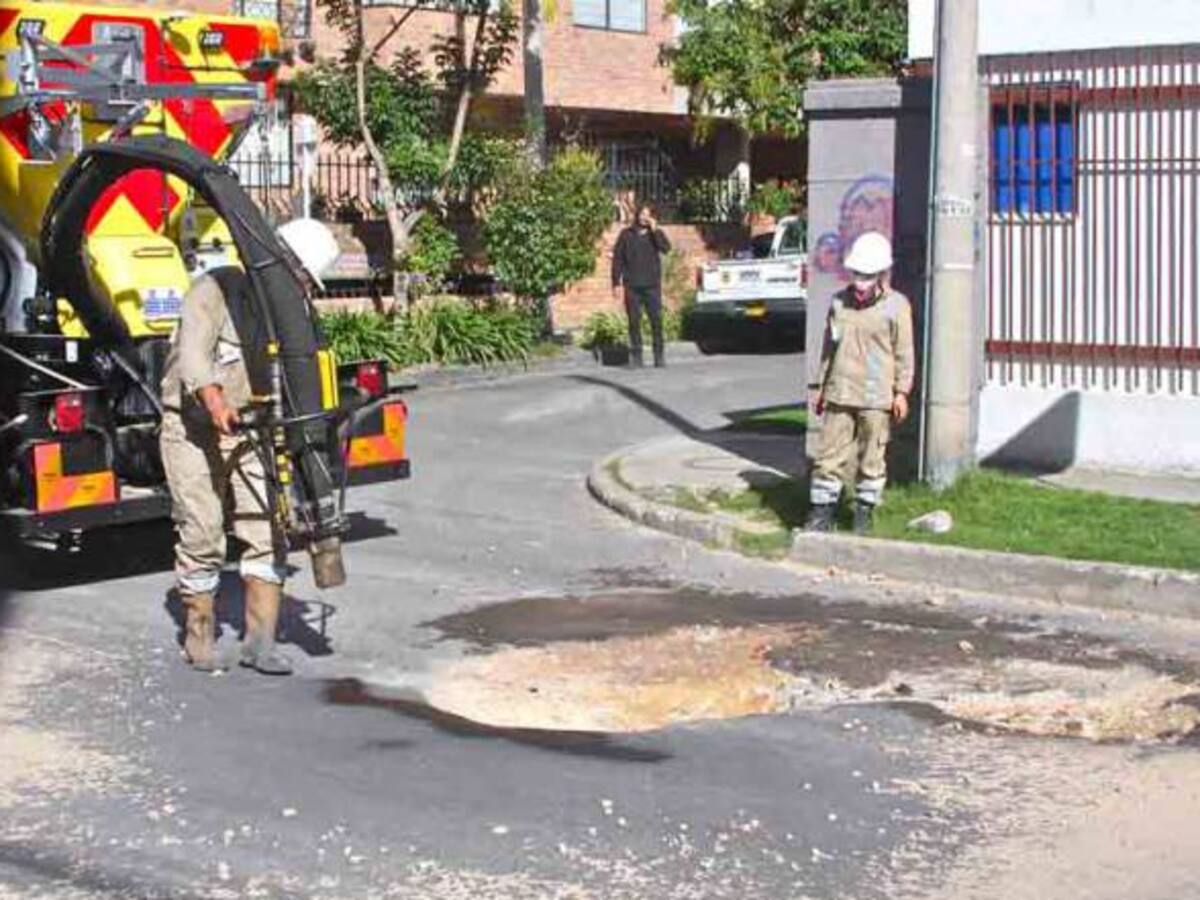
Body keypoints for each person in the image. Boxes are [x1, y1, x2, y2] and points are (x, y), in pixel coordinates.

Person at [160, 218, 340, 675]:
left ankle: (259, 642)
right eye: (299, 277)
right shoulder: (214, 290)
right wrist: (215, 399)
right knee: (202, 530)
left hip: (251, 429)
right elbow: (194, 357)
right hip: (194, 428)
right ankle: (199, 634)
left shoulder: (286, 313)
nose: (301, 288)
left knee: (268, 531)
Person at [805, 231, 914, 535]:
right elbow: (829, 348)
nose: (861, 282)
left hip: (876, 396)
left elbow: (905, 352)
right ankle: (821, 513)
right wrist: (821, 388)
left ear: (881, 274)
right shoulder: (838, 303)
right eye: (857, 274)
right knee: (828, 457)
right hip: (840, 391)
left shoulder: (897, 306)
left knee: (872, 458)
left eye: (867, 276)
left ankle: (863, 513)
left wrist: (901, 392)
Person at [612, 203, 672, 368]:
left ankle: (659, 355)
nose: (644, 217)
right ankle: (636, 357)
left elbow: (666, 248)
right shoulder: (626, 235)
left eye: (648, 214)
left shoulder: (655, 235)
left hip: (652, 285)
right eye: (642, 214)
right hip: (632, 285)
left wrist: (655, 230)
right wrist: (616, 283)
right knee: (634, 322)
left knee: (656, 321)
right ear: (637, 215)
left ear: (653, 216)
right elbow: (618, 259)